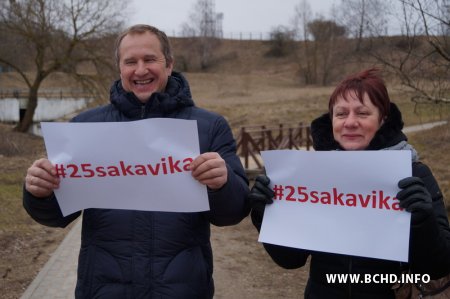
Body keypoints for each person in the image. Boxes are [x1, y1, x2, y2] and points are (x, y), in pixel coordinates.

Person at [23, 24, 250, 298]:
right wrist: (40, 192)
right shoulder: (85, 127)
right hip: (104, 289)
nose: (140, 70)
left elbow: (234, 212)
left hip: (183, 289)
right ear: (119, 68)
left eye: (150, 59)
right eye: (130, 61)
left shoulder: (209, 126)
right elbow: (58, 216)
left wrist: (222, 184)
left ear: (169, 64)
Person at [249, 68, 450, 298]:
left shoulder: (414, 174)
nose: (350, 122)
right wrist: (266, 214)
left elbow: (438, 267)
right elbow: (290, 260)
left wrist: (424, 223)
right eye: (341, 114)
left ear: (382, 119)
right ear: (332, 120)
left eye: (362, 113)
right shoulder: (311, 175)